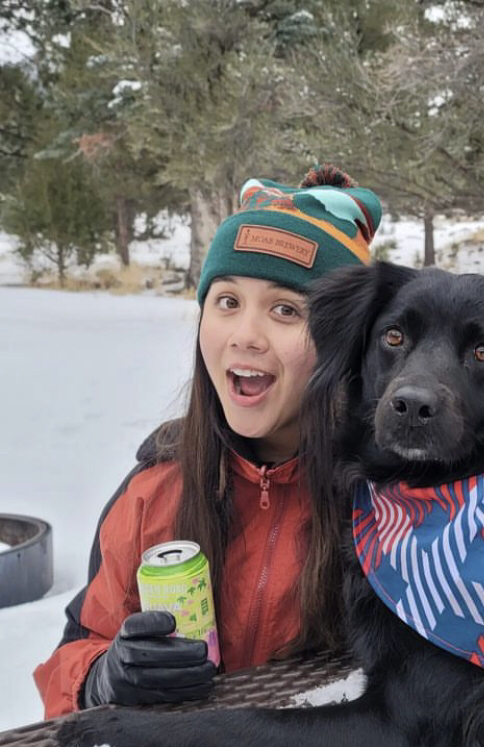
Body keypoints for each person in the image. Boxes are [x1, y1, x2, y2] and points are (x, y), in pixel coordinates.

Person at [33, 164, 382, 719]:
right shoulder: (154, 491)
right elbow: (77, 651)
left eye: (286, 309)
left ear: (343, 347)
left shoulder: (393, 504)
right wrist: (101, 678)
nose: (245, 335)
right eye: (227, 302)